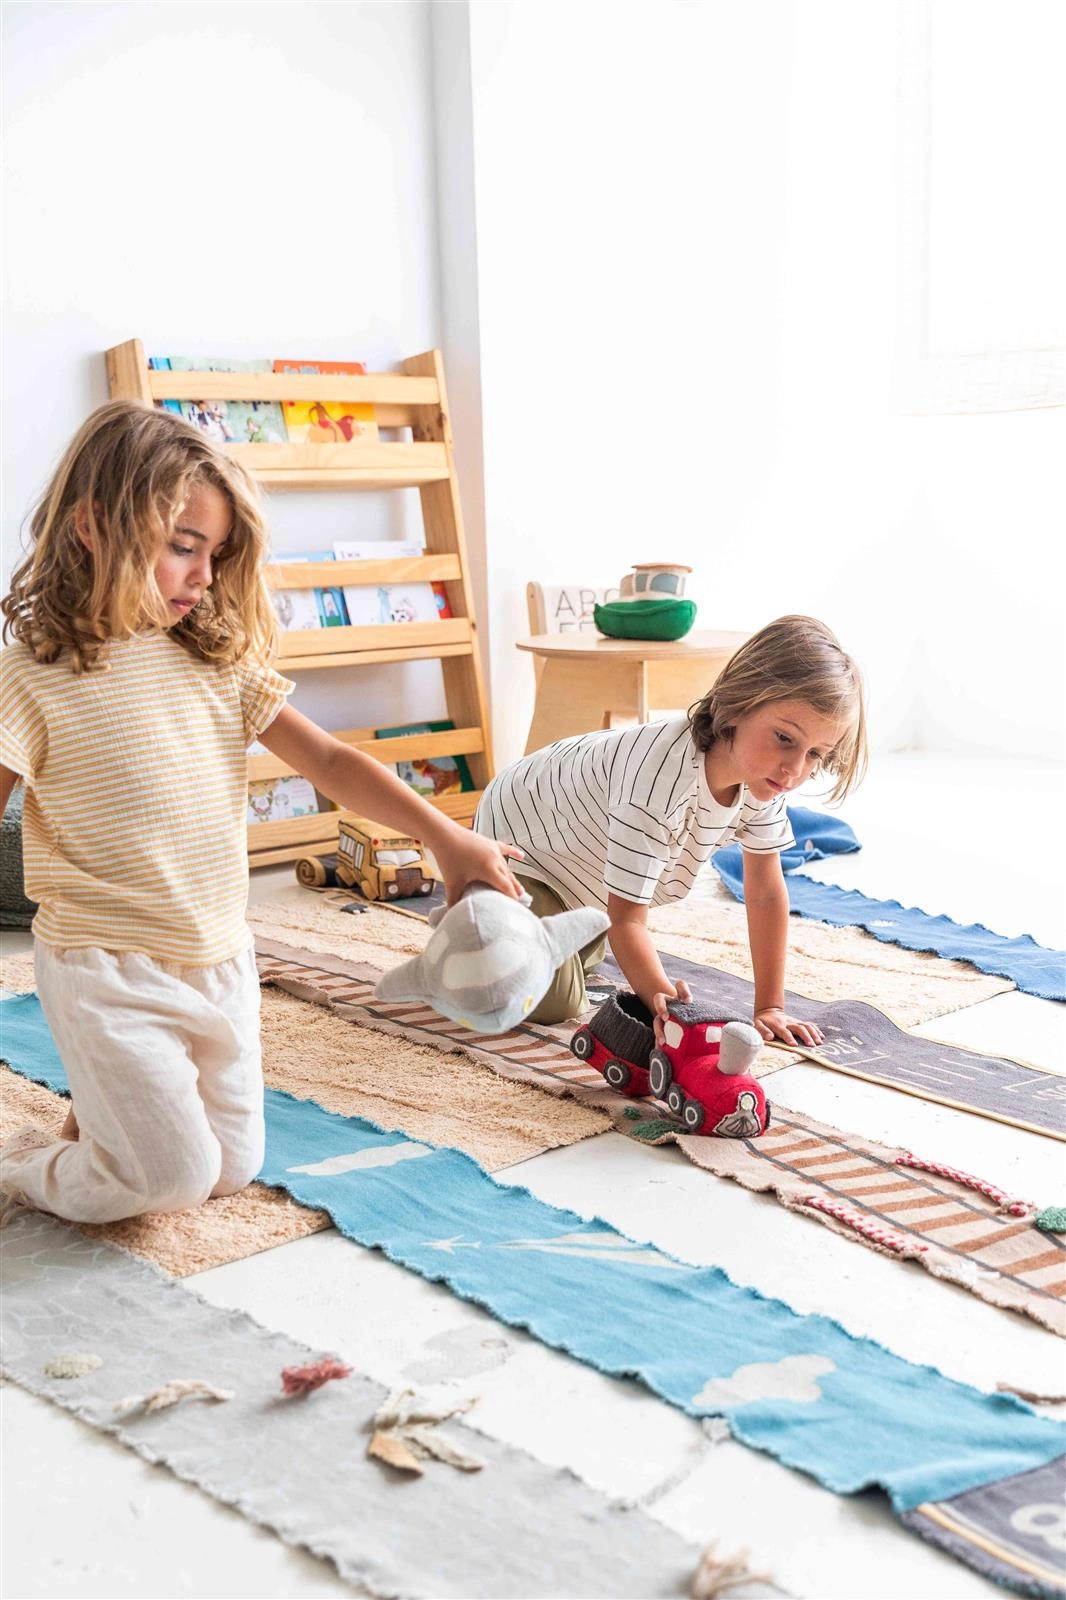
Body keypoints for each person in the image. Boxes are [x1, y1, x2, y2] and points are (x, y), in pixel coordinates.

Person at [0, 400, 523, 1225]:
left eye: (216, 554)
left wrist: (445, 836)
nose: (205, 576)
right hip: (105, 965)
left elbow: (330, 761)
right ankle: (28, 1164)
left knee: (231, 1170)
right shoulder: (31, 676)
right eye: (183, 547)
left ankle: (107, 1113)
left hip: (219, 958)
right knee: (169, 1181)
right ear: (94, 528)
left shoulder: (215, 659)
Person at [474, 615, 867, 1044]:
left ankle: (536, 933)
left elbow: (766, 893)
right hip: (518, 851)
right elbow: (627, 920)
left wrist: (770, 1007)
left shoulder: (765, 779)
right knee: (554, 1002)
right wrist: (667, 1007)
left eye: (815, 754)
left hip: (579, 875)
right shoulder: (658, 780)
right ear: (739, 704)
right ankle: (475, 920)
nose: (795, 768)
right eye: (785, 738)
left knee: (581, 953)